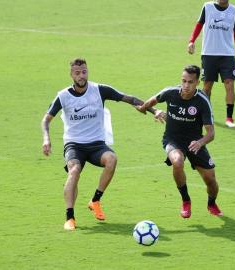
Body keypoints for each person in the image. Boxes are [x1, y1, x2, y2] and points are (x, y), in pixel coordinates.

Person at [41, 58, 160, 230]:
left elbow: (130, 99)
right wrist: (46, 138)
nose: (81, 76)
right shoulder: (63, 96)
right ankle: (70, 218)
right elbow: (46, 120)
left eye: (84, 72)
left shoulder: (99, 90)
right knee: (74, 171)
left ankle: (95, 201)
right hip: (74, 144)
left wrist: (154, 110)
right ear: (71, 75)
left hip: (96, 144)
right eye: (77, 73)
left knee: (112, 159)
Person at [136, 65, 223, 218]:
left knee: (211, 180)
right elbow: (151, 102)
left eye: (190, 82)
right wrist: (152, 110)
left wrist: (200, 143)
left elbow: (211, 133)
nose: (186, 85)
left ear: (197, 82)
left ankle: (211, 203)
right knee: (177, 162)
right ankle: (186, 200)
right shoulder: (170, 93)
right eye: (183, 81)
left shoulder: (202, 101)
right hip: (173, 140)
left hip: (195, 143)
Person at [188, 0, 235, 128]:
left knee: (229, 84)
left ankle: (229, 118)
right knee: (207, 86)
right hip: (209, 53)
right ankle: (207, 116)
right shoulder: (207, 7)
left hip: (227, 55)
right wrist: (191, 41)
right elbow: (199, 25)